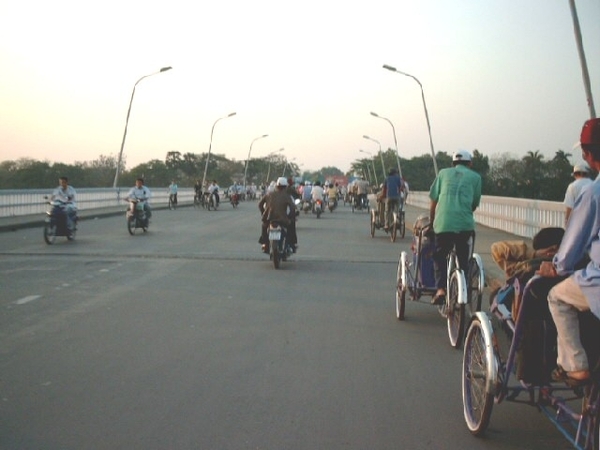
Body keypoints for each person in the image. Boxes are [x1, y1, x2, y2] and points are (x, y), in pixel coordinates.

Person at [537, 118, 600, 387]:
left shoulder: (593, 193)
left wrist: (557, 266)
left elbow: (573, 239)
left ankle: (574, 366)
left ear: (587, 155)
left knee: (557, 296)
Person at [429, 150, 482, 305]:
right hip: (464, 225)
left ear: (453, 163)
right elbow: (474, 203)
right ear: (470, 163)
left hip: (444, 223)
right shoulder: (476, 177)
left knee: (439, 255)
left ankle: (440, 289)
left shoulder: (443, 173)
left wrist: (433, 221)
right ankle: (463, 286)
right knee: (463, 256)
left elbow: (433, 201)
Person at [258, 177, 297, 253]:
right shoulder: (287, 196)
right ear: (285, 187)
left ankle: (265, 243)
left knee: (264, 226)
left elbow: (260, 204)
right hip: (282, 219)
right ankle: (291, 244)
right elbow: (292, 207)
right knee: (291, 226)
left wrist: (263, 213)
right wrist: (291, 216)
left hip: (270, 218)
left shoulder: (269, 194)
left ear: (277, 186)